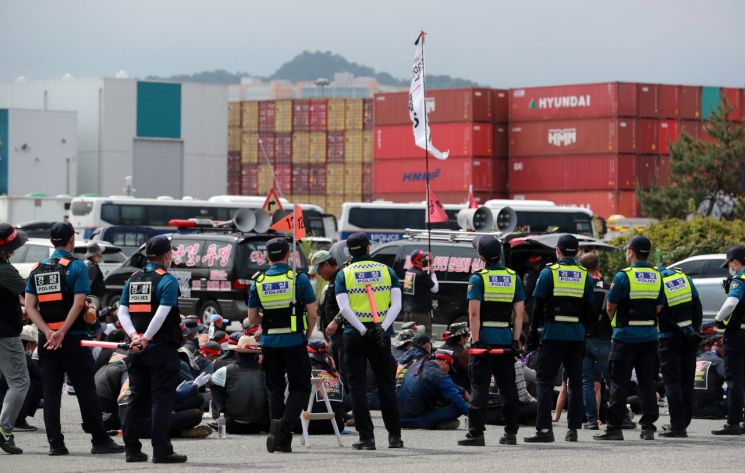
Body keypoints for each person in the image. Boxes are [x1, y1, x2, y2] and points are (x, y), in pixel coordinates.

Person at [25, 221, 123, 456]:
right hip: (73, 339)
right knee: (85, 389)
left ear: (51, 241)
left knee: (50, 392)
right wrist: (62, 332)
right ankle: (99, 440)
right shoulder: (76, 267)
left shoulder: (38, 268)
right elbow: (80, 302)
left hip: (46, 341)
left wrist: (48, 332)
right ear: (71, 240)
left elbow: (30, 307)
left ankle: (55, 444)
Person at [117, 235, 186, 463]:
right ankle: (162, 450)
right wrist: (146, 338)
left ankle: (132, 450)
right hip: (160, 349)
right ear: (167, 255)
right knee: (162, 399)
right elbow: (163, 312)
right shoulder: (167, 281)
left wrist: (134, 335)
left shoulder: (134, 278)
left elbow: (122, 311)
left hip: (136, 350)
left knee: (138, 398)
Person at [248, 237, 317, 453]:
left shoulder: (258, 282)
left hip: (269, 343)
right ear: (289, 255)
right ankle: (283, 428)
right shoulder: (298, 279)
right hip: (294, 342)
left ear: (267, 257)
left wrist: (268, 321)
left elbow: (252, 318)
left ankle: (281, 441)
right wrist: (306, 333)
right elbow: (313, 313)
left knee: (275, 390)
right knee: (300, 387)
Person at [335, 232, 403, 450]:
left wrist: (363, 330)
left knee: (357, 387)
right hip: (381, 335)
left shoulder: (344, 274)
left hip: (354, 335)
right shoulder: (387, 271)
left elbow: (344, 308)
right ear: (369, 247)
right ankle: (395, 437)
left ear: (349, 251)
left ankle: (366, 438)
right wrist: (381, 329)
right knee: (386, 386)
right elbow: (397, 305)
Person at [594, 236, 664, 441]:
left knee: (619, 383)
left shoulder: (624, 277)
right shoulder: (657, 276)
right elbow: (659, 307)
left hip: (625, 338)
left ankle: (614, 428)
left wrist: (612, 324)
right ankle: (648, 427)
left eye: (627, 250)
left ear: (632, 252)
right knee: (647, 382)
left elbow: (610, 306)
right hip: (650, 337)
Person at [525, 234, 594, 443]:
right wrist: (585, 335)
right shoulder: (585, 276)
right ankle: (573, 429)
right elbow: (590, 310)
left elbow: (537, 306)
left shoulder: (549, 273)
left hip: (553, 334)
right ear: (577, 251)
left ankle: (544, 430)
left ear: (558, 251)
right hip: (576, 335)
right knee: (575, 383)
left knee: (544, 382)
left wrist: (532, 335)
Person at [458, 235, 525, 447]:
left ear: (481, 256)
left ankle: (476, 434)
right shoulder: (513, 277)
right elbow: (519, 314)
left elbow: (474, 315)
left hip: (484, 343)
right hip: (505, 341)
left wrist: (476, 341)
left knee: (480, 388)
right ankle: (510, 433)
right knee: (508, 389)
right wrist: (515, 340)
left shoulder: (478, 279)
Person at [656, 263, 703, 437]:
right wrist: (694, 331)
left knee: (672, 381)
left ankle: (677, 426)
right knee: (687, 381)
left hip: (669, 339)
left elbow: (662, 316)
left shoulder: (658, 282)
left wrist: (681, 332)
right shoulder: (684, 278)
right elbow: (697, 306)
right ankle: (684, 421)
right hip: (690, 338)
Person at [0, 224, 30, 455]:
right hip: (5, 334)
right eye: (11, 247)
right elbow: (29, 292)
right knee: (19, 382)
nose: (14, 251)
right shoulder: (4, 269)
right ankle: (4, 430)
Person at [711, 245, 745, 435]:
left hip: (738, 337)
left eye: (730, 264)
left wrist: (717, 319)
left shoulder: (739, 280)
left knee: (734, 380)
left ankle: (733, 423)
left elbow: (731, 303)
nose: (730, 268)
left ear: (735, 262)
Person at [210, 335, 269, 434]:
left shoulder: (224, 371)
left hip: (232, 425)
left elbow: (212, 384)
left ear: (236, 354)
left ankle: (219, 418)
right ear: (256, 355)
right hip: (260, 425)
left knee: (215, 385)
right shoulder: (266, 372)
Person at [580, 252, 612, 430]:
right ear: (598, 267)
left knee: (586, 381)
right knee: (612, 379)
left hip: (583, 338)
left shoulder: (580, 286)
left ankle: (591, 420)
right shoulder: (608, 286)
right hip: (604, 339)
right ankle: (619, 417)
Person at [398, 349, 469, 429]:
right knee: (459, 407)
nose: (448, 373)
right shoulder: (441, 375)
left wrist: (462, 390)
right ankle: (435, 423)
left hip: (398, 419)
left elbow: (448, 385)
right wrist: (474, 414)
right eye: (449, 369)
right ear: (445, 362)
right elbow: (456, 399)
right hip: (416, 420)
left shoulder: (416, 365)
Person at [311, 250, 345, 383]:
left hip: (343, 335)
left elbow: (351, 305)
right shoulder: (331, 281)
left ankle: (347, 402)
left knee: (344, 375)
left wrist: (336, 321)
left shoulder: (341, 278)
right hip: (334, 338)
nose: (318, 274)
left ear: (326, 264)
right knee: (337, 373)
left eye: (319, 270)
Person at [402, 250, 439, 336]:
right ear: (417, 261)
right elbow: (435, 289)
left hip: (408, 312)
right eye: (423, 258)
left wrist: (430, 264)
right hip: (420, 314)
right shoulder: (422, 274)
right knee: (423, 339)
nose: (425, 260)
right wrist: (433, 273)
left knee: (409, 339)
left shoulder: (408, 272)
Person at [693, 337, 727, 419]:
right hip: (713, 410)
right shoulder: (718, 361)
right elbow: (732, 381)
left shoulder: (696, 359)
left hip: (691, 410)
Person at [442, 322, 470, 392]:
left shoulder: (440, 349)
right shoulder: (464, 353)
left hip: (441, 388)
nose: (468, 338)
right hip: (460, 391)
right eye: (468, 335)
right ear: (462, 337)